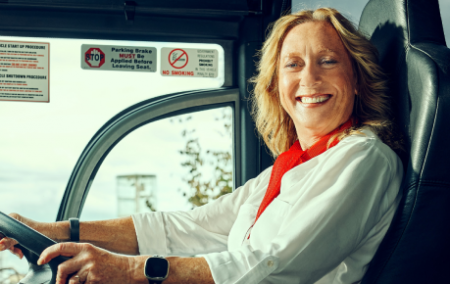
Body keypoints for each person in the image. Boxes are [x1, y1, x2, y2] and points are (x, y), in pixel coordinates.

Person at [0, 7, 403, 284]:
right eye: (293, 64)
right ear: (276, 87)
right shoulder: (291, 169)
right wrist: (51, 230)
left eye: (328, 61)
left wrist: (130, 272)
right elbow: (187, 228)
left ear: (356, 79)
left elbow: (271, 268)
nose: (309, 77)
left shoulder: (364, 158)